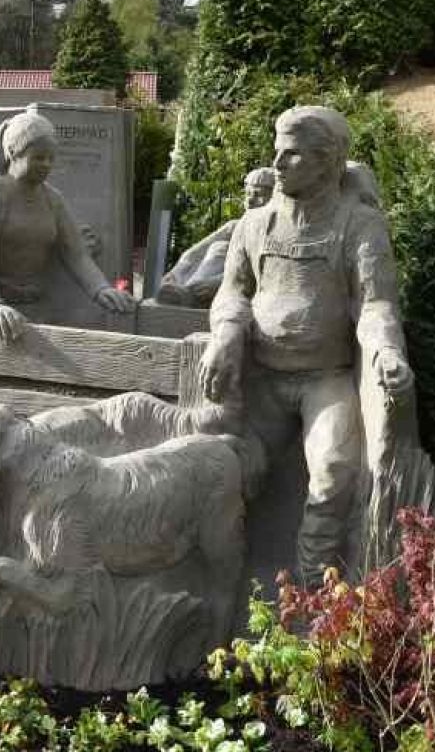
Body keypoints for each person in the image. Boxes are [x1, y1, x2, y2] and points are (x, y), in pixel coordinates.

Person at [198, 106, 416, 584]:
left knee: (335, 469)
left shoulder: (359, 225)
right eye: (276, 151)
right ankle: (222, 579)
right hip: (261, 377)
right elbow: (232, 293)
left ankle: (311, 588)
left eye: (292, 155)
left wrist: (387, 352)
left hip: (325, 380)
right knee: (217, 460)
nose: (277, 164)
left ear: (327, 162)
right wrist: (227, 335)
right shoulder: (255, 224)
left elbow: (376, 305)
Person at [0, 112, 135, 343]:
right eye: (38, 158)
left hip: (32, 307)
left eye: (50, 158)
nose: (46, 165)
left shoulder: (52, 198)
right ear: (12, 152)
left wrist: (102, 289)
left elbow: (76, 254)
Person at [158, 167, 276, 307]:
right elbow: (197, 251)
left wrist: (220, 281)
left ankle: (189, 294)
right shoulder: (236, 226)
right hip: (211, 286)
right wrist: (176, 273)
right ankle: (187, 291)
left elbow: (262, 271)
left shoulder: (277, 233)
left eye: (258, 194)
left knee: (222, 248)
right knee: (218, 246)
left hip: (248, 291)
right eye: (248, 194)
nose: (250, 200)